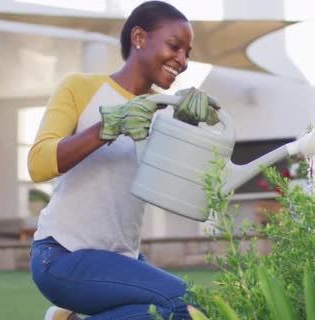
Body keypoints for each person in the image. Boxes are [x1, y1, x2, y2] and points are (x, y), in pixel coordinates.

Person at [28, 2, 217, 319]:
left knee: (196, 311)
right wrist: (107, 127)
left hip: (122, 259)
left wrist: (189, 129)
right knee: (184, 307)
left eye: (187, 53)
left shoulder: (165, 112)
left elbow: (178, 190)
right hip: (62, 255)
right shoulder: (81, 87)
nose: (182, 61)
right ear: (139, 38)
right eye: (174, 46)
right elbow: (38, 164)